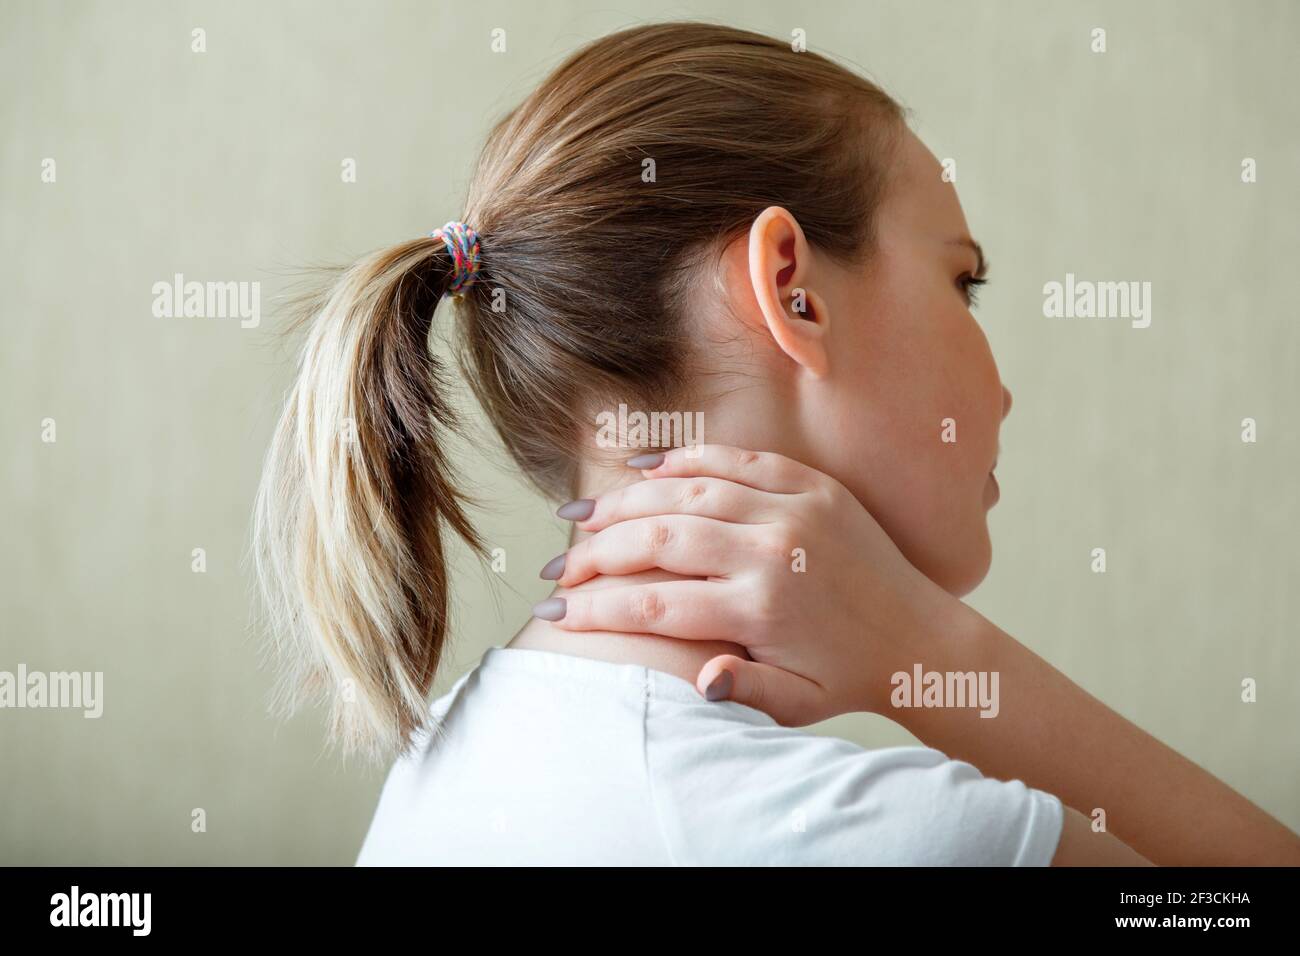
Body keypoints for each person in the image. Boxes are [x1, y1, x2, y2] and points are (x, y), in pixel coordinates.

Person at [253, 21, 1300, 865]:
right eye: (961, 278)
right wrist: (929, 653)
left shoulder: (459, 747)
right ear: (791, 288)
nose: (1003, 385)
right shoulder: (884, 839)